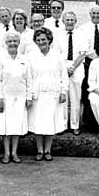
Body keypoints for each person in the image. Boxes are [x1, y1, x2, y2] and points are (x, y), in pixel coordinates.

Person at [27, 27, 67, 160]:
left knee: (51, 123)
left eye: (43, 39)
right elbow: (29, 77)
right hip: (37, 95)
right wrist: (29, 95)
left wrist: (63, 91)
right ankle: (39, 151)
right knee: (38, 123)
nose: (41, 42)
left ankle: (48, 150)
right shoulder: (31, 57)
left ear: (49, 39)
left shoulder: (57, 56)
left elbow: (64, 75)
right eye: (38, 40)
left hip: (53, 95)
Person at [0, 31, 32, 164]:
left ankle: (14, 153)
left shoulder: (25, 60)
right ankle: (6, 153)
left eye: (15, 41)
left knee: (16, 127)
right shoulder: (0, 60)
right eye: (10, 41)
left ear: (19, 43)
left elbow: (29, 80)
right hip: (5, 98)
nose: (13, 44)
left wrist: (29, 97)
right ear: (6, 43)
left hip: (20, 98)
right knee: (6, 128)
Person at [54, 11, 88, 135]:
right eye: (67, 20)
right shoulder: (57, 35)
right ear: (63, 21)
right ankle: (62, 125)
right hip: (62, 67)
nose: (69, 22)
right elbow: (56, 54)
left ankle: (75, 125)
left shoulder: (81, 35)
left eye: (72, 20)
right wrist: (65, 69)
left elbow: (83, 53)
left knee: (75, 98)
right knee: (63, 97)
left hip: (77, 66)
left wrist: (73, 67)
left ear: (75, 21)